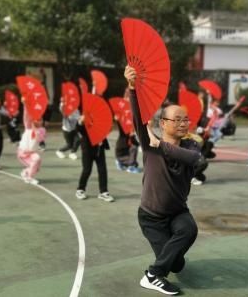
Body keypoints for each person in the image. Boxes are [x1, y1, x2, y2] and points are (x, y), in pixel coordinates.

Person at [125, 66, 200, 296]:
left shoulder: (191, 146)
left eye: (185, 119)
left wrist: (163, 145)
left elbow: (196, 159)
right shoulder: (150, 145)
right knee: (176, 264)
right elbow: (138, 119)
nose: (183, 123)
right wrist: (132, 88)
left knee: (189, 229)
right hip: (152, 218)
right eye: (177, 119)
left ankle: (153, 273)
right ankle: (154, 275)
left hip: (177, 212)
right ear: (163, 124)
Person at [75, 111, 114, 203]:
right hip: (88, 149)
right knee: (87, 170)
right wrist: (81, 121)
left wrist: (108, 129)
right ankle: (80, 189)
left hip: (99, 149)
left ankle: (103, 192)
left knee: (102, 170)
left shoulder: (100, 120)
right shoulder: (86, 120)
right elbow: (79, 129)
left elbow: (105, 131)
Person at [17, 99, 47, 185]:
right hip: (23, 153)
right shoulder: (28, 127)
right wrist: (25, 104)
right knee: (36, 160)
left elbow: (40, 138)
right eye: (36, 120)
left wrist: (35, 129)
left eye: (40, 120)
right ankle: (29, 177)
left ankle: (25, 172)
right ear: (32, 120)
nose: (39, 121)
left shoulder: (42, 130)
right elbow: (26, 116)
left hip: (32, 152)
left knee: (36, 166)